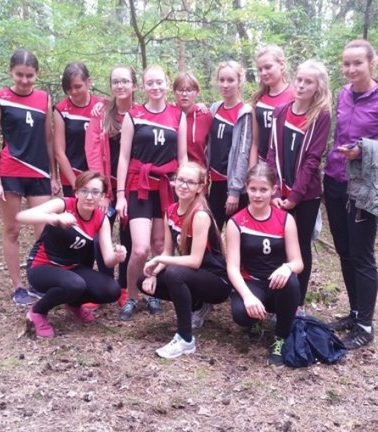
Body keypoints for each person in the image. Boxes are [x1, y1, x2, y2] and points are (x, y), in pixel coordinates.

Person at [323, 39, 378, 349]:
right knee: (345, 252)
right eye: (346, 63)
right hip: (334, 181)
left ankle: (365, 326)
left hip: (364, 189)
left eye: (357, 63)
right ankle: (355, 313)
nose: (351, 69)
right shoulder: (343, 94)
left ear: (372, 63)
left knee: (361, 255)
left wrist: (363, 151)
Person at [116, 65, 188, 320]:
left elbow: (182, 156)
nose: (155, 87)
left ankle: (153, 292)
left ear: (166, 84)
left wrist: (184, 186)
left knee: (159, 245)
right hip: (140, 186)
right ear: (143, 86)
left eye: (159, 82)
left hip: (166, 186)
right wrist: (120, 194)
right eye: (150, 83)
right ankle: (131, 296)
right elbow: (124, 157)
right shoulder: (133, 115)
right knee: (139, 248)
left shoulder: (177, 115)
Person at [17, 171, 128, 338]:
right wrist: (54, 218)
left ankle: (74, 304)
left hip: (71, 268)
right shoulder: (63, 205)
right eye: (84, 191)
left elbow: (108, 260)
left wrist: (118, 256)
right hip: (41, 266)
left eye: (95, 192)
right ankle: (37, 312)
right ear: (76, 193)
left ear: (102, 197)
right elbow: (22, 216)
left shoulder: (101, 219)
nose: (89, 197)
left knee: (111, 290)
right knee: (75, 284)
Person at [139, 162, 231, 359]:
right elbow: (167, 251)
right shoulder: (171, 211)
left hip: (217, 281)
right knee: (143, 280)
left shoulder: (200, 215)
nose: (183, 185)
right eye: (180, 180)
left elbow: (195, 261)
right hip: (193, 275)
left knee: (174, 273)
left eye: (190, 182)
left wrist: (159, 260)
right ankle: (197, 305)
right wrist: (153, 273)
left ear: (200, 187)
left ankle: (185, 339)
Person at [0, 49, 56, 306]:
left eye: (29, 75)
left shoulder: (44, 98)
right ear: (11, 72)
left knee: (44, 231)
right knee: (12, 230)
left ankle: (39, 281)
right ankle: (18, 286)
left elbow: (49, 139)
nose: (24, 80)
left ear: (37, 74)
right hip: (10, 172)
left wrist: (53, 175)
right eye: (19, 75)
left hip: (39, 172)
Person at [266, 59, 332, 311]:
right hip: (278, 192)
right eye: (300, 80)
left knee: (301, 247)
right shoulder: (280, 111)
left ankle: (297, 304)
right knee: (278, 245)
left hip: (306, 195)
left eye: (308, 82)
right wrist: (274, 190)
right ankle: (276, 300)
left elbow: (312, 159)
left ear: (318, 87)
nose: (302, 85)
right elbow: (272, 152)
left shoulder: (320, 116)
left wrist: (295, 196)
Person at [226, 163, 303, 367]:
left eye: (263, 189)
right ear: (246, 188)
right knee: (241, 314)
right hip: (251, 282)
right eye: (253, 189)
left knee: (292, 283)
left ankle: (280, 339)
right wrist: (247, 297)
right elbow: (232, 267)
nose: (258, 195)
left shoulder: (286, 219)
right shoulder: (236, 222)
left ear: (273, 190)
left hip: (277, 283)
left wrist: (287, 268)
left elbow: (298, 262)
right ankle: (254, 322)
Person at [86, 65, 138, 305]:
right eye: (116, 81)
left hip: (132, 186)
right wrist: (103, 190)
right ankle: (106, 285)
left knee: (129, 234)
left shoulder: (141, 112)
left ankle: (125, 286)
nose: (120, 86)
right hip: (107, 187)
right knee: (100, 235)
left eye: (125, 81)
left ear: (134, 85)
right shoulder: (101, 113)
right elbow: (93, 152)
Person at [206, 61, 252, 230]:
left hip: (233, 185)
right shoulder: (215, 108)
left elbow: (243, 153)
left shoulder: (245, 112)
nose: (225, 85)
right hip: (214, 183)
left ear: (239, 82)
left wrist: (235, 191)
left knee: (236, 234)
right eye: (222, 80)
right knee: (212, 234)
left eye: (230, 80)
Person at [54, 62, 104, 196]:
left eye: (77, 86)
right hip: (73, 176)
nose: (73, 92)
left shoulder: (101, 105)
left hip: (98, 176)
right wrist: (76, 185)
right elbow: (59, 152)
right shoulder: (61, 109)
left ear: (88, 82)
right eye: (69, 88)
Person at [249, 45, 294, 167]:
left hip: (286, 166)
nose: (263, 73)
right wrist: (252, 171)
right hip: (262, 165)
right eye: (260, 69)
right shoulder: (258, 99)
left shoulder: (295, 96)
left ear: (282, 65)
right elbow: (255, 142)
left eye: (268, 67)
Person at [173, 72, 212, 168]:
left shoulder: (205, 116)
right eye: (180, 90)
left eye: (189, 90)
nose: (184, 94)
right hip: (172, 173)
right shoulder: (169, 113)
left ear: (197, 92)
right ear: (174, 92)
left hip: (198, 172)